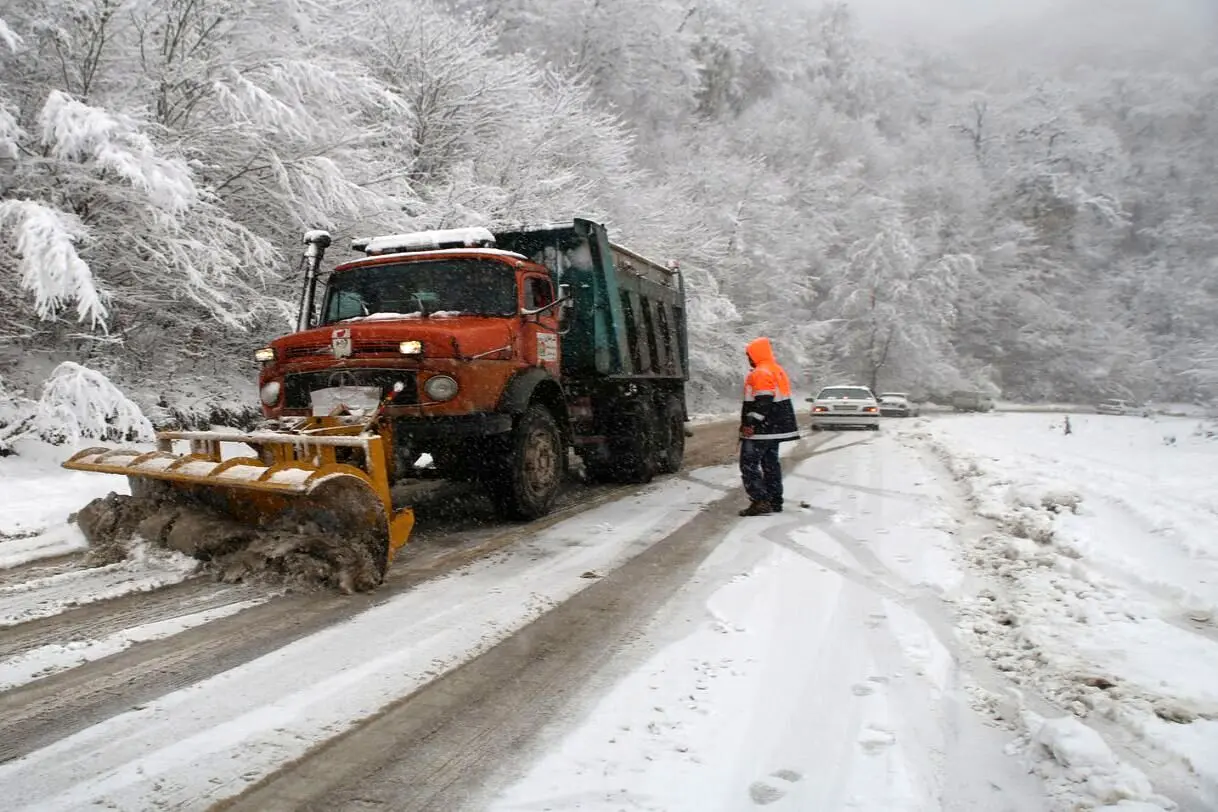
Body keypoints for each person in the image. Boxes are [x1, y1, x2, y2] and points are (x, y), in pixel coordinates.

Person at [738, 337, 800, 516]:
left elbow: (764, 402)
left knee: (748, 464)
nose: (748, 358)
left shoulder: (760, 373)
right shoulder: (776, 370)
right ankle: (775, 500)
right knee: (770, 464)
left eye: (749, 355)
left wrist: (750, 423)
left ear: (755, 354)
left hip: (762, 430)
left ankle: (760, 500)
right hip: (775, 429)